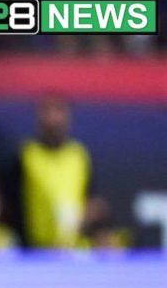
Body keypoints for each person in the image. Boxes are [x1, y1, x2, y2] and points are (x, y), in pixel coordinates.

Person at [10, 93, 107, 249]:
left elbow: (92, 199)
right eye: (47, 112)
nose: (52, 119)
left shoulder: (79, 155)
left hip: (73, 248)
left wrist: (87, 218)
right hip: (35, 250)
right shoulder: (26, 155)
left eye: (59, 111)